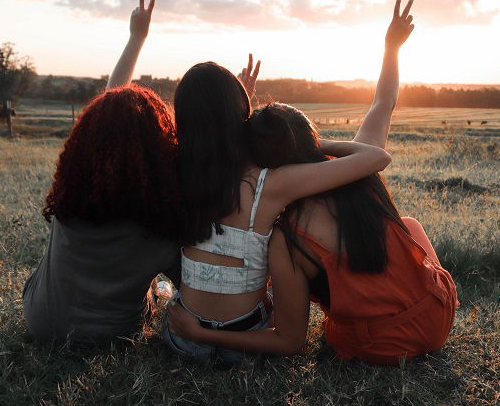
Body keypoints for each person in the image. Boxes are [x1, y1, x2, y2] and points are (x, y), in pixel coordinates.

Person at [167, 0, 459, 365]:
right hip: (438, 315)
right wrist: (391, 48)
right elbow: (382, 106)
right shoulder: (346, 168)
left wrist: (239, 114)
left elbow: (291, 339)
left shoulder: (270, 204)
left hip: (374, 343)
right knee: (409, 226)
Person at [163, 54, 392, 365]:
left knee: (171, 286)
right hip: (244, 346)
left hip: (181, 338)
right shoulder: (266, 184)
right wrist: (313, 141)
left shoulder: (176, 171)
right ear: (238, 116)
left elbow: (208, 134)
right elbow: (377, 158)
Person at [22, 0, 183, 343]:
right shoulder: (159, 225)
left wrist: (136, 39)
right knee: (160, 289)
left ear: (89, 140)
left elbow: (109, 118)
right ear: (159, 152)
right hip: (112, 336)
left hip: (40, 321)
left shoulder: (73, 196)